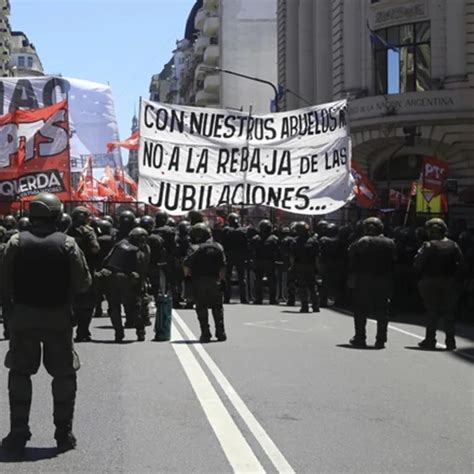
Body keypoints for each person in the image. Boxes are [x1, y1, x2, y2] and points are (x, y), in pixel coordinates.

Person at [1, 193, 91, 456]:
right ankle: (63, 433)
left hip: (23, 317)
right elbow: (83, 283)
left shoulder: (16, 242)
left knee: (19, 373)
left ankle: (18, 432)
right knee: (63, 375)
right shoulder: (68, 243)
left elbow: (3, 283)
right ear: (58, 216)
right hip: (58, 318)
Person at [414, 218, 463, 350]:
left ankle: (430, 340)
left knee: (432, 312)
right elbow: (461, 263)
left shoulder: (428, 246)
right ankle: (450, 342)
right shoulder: (453, 245)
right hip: (449, 282)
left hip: (431, 281)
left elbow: (417, 263)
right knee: (449, 314)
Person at [348, 217, 396, 349]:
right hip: (383, 279)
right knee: (382, 311)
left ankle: (360, 337)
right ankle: (381, 340)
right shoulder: (390, 242)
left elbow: (351, 252)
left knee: (360, 310)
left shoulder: (364, 240)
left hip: (365, 279)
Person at [101, 227, 150, 342]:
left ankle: (118, 334)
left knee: (114, 308)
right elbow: (141, 269)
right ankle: (140, 332)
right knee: (134, 307)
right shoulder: (137, 251)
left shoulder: (119, 244)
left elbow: (106, 260)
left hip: (112, 279)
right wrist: (141, 286)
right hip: (128, 281)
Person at [184, 223, 227, 342]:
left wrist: (187, 278)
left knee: (201, 307)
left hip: (199, 281)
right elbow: (223, 266)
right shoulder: (218, 246)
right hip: (215, 280)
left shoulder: (194, 248)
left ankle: (205, 333)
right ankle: (220, 332)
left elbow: (187, 265)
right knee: (217, 307)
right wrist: (222, 280)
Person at [68, 206, 100, 342]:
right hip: (86, 270)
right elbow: (95, 248)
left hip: (68, 271)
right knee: (87, 303)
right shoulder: (88, 231)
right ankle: (83, 331)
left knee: (70, 301)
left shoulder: (66, 230)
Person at [290, 222, 320, 313]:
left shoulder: (295, 241)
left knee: (302, 287)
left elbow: (292, 257)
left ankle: (304, 306)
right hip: (311, 266)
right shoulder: (314, 241)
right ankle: (315, 306)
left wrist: (292, 267)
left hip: (300, 267)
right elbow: (317, 257)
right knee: (312, 287)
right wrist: (317, 268)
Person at [250, 220, 280, 305]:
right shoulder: (274, 238)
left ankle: (258, 299)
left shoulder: (256, 238)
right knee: (271, 281)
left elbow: (251, 250)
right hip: (270, 262)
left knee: (258, 281)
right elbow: (278, 251)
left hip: (259, 262)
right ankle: (272, 299)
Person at [222, 212, 248, 304]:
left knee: (227, 277)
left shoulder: (226, 230)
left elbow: (223, 242)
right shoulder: (243, 230)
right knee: (242, 277)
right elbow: (246, 244)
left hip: (229, 255)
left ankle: (226, 298)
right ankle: (243, 298)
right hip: (240, 255)